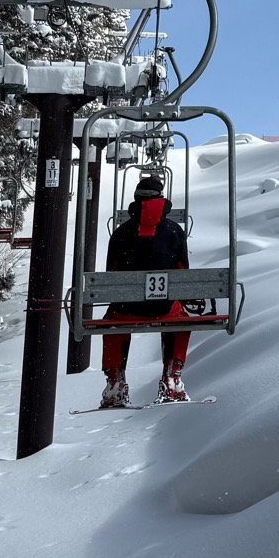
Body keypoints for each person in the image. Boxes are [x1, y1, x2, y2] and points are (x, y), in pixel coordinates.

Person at [98, 169, 192, 407]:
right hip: (165, 308)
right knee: (180, 316)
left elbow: (112, 275)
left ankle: (114, 382)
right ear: (161, 198)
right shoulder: (174, 231)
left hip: (125, 309)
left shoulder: (121, 233)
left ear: (136, 198)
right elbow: (183, 272)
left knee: (113, 320)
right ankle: (172, 376)